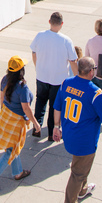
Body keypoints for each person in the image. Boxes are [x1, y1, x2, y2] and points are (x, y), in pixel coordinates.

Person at [52, 57, 102, 203]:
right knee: (78, 172)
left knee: (81, 166)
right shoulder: (95, 92)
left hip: (69, 135)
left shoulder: (66, 83)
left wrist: (56, 126)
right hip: (85, 141)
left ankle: (82, 190)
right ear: (91, 72)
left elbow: (57, 106)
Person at [0, 56, 39, 192]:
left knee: (14, 147)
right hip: (15, 121)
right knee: (10, 151)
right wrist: (36, 124)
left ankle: (18, 172)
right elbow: (26, 108)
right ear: (21, 71)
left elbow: (2, 98)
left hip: (5, 117)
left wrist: (4, 113)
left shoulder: (5, 79)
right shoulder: (22, 87)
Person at [30, 12, 77, 141]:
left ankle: (37, 127)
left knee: (40, 101)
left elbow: (33, 52)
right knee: (54, 106)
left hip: (41, 76)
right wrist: (78, 79)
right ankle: (51, 132)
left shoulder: (40, 36)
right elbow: (73, 61)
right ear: (62, 24)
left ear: (49, 21)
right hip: (58, 80)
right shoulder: (66, 40)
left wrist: (37, 66)